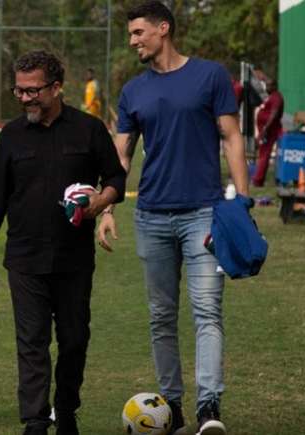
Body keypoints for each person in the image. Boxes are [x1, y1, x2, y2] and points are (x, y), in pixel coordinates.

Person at [97, 3, 248, 434]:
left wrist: (243, 200)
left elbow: (232, 137)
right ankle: (173, 408)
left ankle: (209, 408)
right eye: (130, 35)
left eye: (139, 32)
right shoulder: (133, 92)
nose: (132, 41)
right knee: (161, 316)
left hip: (204, 212)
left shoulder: (210, 76)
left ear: (163, 29)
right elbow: (120, 156)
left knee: (207, 311)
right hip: (151, 218)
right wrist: (107, 208)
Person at [0, 50, 125, 435]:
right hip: (24, 258)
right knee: (32, 342)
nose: (25, 98)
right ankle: (36, 419)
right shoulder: (10, 136)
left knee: (74, 339)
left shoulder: (88, 130)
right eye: (19, 91)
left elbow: (115, 179)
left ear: (56, 88)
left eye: (33, 91)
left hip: (74, 258)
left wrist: (101, 203)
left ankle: (67, 409)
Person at [252, 78, 284, 187]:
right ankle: (258, 178)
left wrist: (265, 129)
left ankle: (258, 180)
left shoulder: (276, 97)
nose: (267, 88)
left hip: (270, 131)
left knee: (264, 154)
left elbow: (273, 114)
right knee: (262, 153)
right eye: (266, 85)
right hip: (264, 130)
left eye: (270, 85)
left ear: (275, 86)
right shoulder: (270, 97)